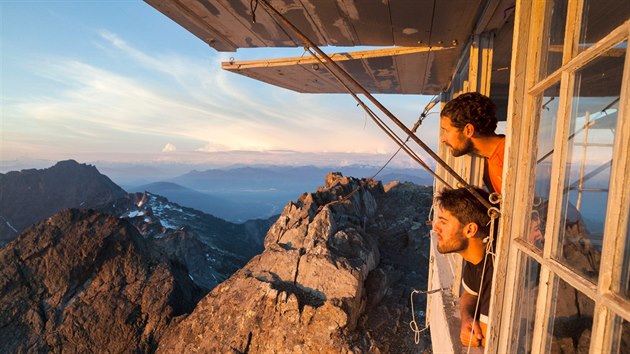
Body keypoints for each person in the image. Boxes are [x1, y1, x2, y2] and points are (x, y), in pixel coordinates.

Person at [433, 187, 494, 347]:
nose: (435, 227)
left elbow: (487, 340)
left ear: (470, 230)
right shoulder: (477, 256)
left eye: (443, 222)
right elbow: (469, 294)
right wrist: (467, 318)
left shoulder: (493, 267)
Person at [440, 92, 505, 194]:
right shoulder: (488, 159)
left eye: (447, 130)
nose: (442, 139)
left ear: (469, 130)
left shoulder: (507, 159)